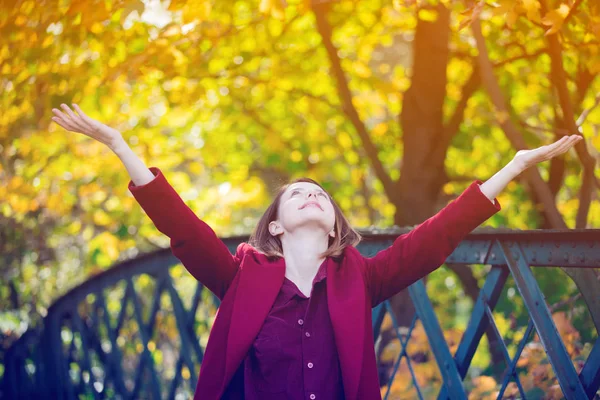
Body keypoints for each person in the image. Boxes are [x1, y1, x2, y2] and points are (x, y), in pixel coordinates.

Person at [52, 103, 583, 400]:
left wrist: (513, 167)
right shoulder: (240, 278)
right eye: (298, 194)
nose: (313, 194)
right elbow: (186, 230)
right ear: (277, 227)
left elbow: (436, 236)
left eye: (322, 195)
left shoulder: (363, 281)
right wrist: (122, 147)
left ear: (333, 228)